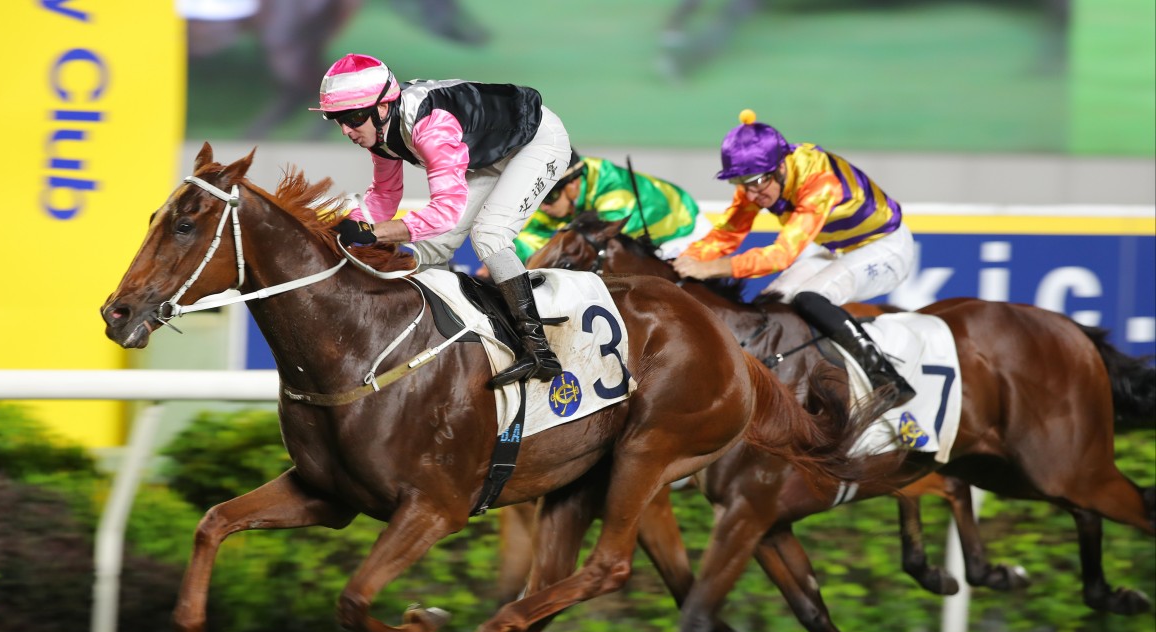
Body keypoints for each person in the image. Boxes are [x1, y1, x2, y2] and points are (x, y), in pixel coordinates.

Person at [312, 54, 571, 388]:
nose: (347, 130)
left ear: (382, 108)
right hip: (487, 151)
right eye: (337, 119)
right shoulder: (380, 131)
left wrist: (375, 233)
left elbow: (445, 212)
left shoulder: (430, 127)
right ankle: (449, 338)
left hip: (536, 143)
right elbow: (384, 197)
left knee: (489, 235)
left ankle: (539, 350)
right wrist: (345, 227)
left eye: (353, 117)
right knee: (433, 247)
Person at [673, 109, 916, 411]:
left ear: (779, 167)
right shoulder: (757, 182)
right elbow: (727, 235)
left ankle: (885, 377)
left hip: (886, 246)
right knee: (770, 303)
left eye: (757, 182)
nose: (751, 195)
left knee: (810, 298)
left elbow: (780, 255)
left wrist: (709, 268)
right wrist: (684, 261)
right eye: (741, 183)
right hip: (836, 247)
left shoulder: (819, 180)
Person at [514, 150, 714, 263]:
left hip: (682, 232)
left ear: (573, 185)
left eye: (548, 196)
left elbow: (601, 241)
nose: (542, 206)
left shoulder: (613, 191)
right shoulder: (559, 197)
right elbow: (531, 239)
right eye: (537, 197)